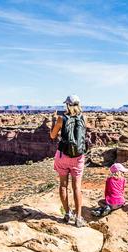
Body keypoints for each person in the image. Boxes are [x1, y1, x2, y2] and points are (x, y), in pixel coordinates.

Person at [50, 95, 87, 227]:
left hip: (63, 156)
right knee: (77, 187)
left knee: (63, 185)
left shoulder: (61, 118)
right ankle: (78, 218)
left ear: (67, 105)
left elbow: (53, 135)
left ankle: (67, 213)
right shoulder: (83, 118)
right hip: (78, 157)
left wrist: (53, 121)